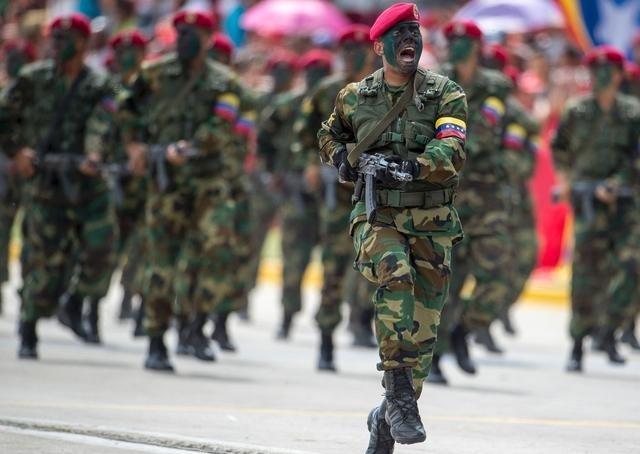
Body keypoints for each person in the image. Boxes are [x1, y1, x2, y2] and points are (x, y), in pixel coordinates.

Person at [318, 3, 467, 450]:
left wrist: (412, 166)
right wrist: (342, 159)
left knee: (422, 332)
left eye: (414, 34)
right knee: (394, 274)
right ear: (380, 46)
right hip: (378, 217)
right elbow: (328, 135)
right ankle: (398, 392)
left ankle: (387, 415)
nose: (409, 41)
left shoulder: (445, 94)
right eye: (399, 35)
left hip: (432, 225)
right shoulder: (355, 97)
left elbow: (452, 149)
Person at [122, 10, 246, 371]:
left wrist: (190, 147)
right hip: (167, 184)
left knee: (218, 250)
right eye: (181, 33)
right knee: (161, 262)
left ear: (208, 39)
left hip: (209, 182)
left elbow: (222, 124)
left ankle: (196, 323)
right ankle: (156, 339)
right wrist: (134, 145)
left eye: (194, 34)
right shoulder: (153, 74)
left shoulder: (225, 82)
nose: (186, 40)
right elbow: (125, 106)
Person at [1, 13, 117, 357]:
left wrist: (95, 154)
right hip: (45, 180)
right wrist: (17, 151)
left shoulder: (99, 85)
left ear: (83, 45)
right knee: (42, 259)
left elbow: (104, 121)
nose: (56, 46)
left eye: (65, 40)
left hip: (85, 179)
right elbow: (3, 118)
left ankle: (77, 300)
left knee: (102, 245)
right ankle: (29, 326)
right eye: (53, 39)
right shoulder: (32, 79)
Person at [429, 19, 513, 384]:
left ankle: (465, 329)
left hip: (485, 198)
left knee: (497, 275)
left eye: (464, 42)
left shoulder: (495, 86)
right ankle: (434, 358)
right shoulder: (432, 83)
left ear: (478, 47)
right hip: (445, 197)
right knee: (444, 280)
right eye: (452, 41)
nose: (457, 47)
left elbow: (485, 133)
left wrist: (451, 144)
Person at [295, 24, 379, 371]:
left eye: (358, 50)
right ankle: (326, 339)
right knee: (333, 267)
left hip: (377, 194)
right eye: (347, 51)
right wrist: (309, 164)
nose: (352, 57)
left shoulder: (386, 90)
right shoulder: (329, 90)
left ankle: (363, 322)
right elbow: (304, 134)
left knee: (378, 266)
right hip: (338, 194)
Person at [552, 45, 640, 372]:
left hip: (625, 203)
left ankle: (610, 329)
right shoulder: (577, 110)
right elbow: (559, 147)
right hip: (588, 200)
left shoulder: (632, 113)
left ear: (618, 76)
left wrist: (617, 183)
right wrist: (565, 180)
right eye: (594, 71)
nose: (599, 77)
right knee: (586, 274)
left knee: (630, 266)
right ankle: (578, 342)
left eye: (606, 71)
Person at [258, 50, 332, 340]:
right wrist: (272, 172)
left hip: (333, 196)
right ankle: (287, 315)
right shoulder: (290, 105)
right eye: (311, 74)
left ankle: (331, 321)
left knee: (335, 262)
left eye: (320, 75)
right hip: (297, 194)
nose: (315, 80)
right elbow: (264, 136)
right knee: (294, 258)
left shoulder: (342, 106)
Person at [103, 29, 149, 337]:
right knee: (107, 244)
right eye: (122, 52)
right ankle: (92, 302)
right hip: (111, 177)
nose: (127, 58)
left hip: (144, 179)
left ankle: (132, 299)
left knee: (143, 246)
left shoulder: (153, 89)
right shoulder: (103, 89)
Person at [0, 39, 36, 316]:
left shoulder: (40, 94)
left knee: (34, 235)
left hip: (34, 175)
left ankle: (30, 292)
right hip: (4, 175)